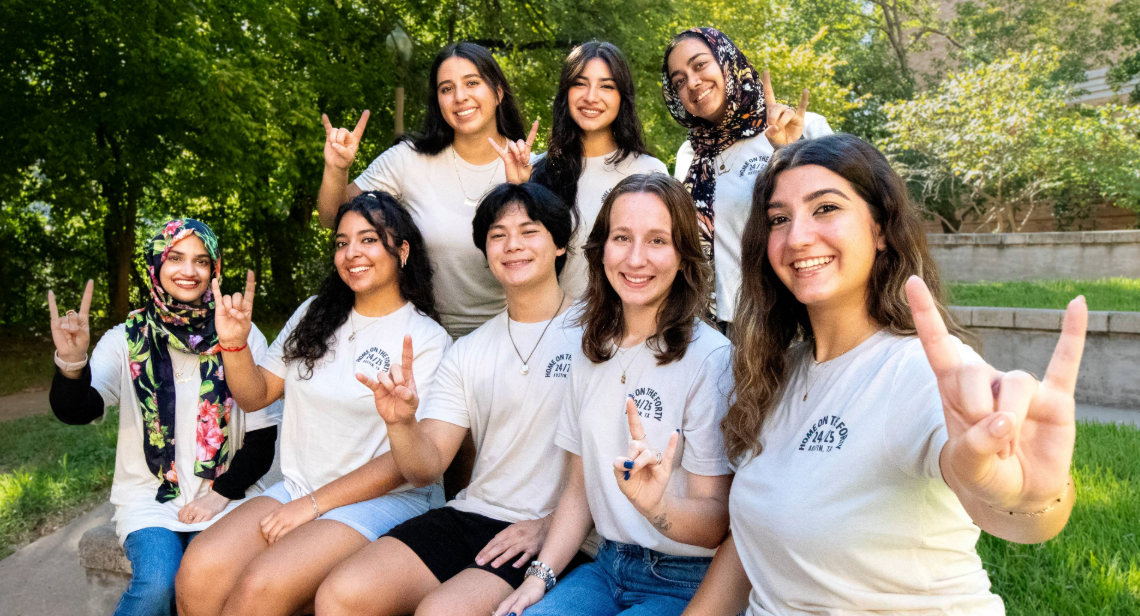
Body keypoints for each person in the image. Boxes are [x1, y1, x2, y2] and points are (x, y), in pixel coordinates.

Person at [682, 134, 1087, 616]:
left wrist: (1029, 499)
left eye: (826, 208)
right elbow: (751, 549)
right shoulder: (779, 373)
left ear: (880, 228)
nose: (798, 236)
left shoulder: (922, 369)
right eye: (779, 219)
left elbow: (1003, 503)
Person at [315, 183, 592, 616]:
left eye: (528, 231)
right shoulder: (469, 349)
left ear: (559, 244)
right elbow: (426, 467)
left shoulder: (598, 336)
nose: (512, 245)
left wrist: (550, 525)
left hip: (557, 529)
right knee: (340, 596)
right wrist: (401, 424)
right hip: (473, 513)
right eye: (498, 235)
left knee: (439, 612)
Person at [175, 192, 452, 616]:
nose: (352, 253)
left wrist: (312, 507)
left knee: (258, 588)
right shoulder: (314, 314)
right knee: (198, 568)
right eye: (342, 243)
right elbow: (255, 395)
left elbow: (409, 466)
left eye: (368, 240)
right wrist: (233, 345)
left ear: (403, 249)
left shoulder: (427, 339)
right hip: (301, 487)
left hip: (383, 500)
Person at [493, 174, 734, 616]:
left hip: (685, 580)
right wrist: (538, 579)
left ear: (682, 256)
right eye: (622, 237)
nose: (636, 258)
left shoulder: (711, 360)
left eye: (658, 240)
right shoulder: (590, 349)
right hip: (606, 566)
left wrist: (658, 504)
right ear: (601, 249)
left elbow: (716, 522)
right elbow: (579, 491)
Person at [47, 218, 282, 616]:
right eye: (175, 258)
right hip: (148, 499)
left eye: (201, 261)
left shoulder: (241, 333)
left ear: (215, 270)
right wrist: (71, 362)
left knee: (208, 583)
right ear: (156, 264)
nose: (188, 271)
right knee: (158, 583)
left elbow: (262, 439)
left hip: (227, 496)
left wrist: (219, 494)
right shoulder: (125, 338)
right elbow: (78, 410)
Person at [318, 42, 533, 337]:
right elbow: (333, 217)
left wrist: (521, 190)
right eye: (446, 88)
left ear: (498, 92)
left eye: (472, 82)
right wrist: (337, 168)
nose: (460, 97)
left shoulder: (532, 166)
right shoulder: (409, 159)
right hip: (425, 337)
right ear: (438, 101)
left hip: (512, 336)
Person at [662, 27, 833, 326]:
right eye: (679, 81)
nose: (692, 82)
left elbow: (841, 213)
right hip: (713, 324)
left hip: (789, 320)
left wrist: (792, 153)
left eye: (700, 64)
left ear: (726, 62)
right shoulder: (690, 154)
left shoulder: (800, 129)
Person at [491, 41, 667, 299]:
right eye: (580, 83)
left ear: (622, 97)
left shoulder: (649, 173)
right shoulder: (538, 170)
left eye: (606, 86)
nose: (591, 96)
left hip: (624, 327)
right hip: (550, 326)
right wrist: (519, 191)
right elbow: (519, 258)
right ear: (566, 93)